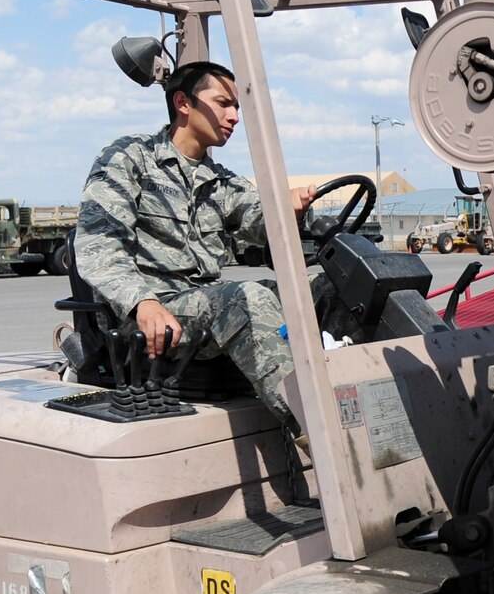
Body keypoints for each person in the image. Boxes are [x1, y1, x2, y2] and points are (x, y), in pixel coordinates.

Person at [74, 60, 319, 450]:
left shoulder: (218, 181)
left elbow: (259, 217)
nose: (234, 116)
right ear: (184, 103)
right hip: (154, 317)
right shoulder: (130, 160)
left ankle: (377, 411)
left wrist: (290, 209)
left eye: (236, 106)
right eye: (223, 103)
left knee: (321, 289)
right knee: (247, 298)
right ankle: (319, 433)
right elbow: (98, 245)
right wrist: (144, 303)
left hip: (204, 308)